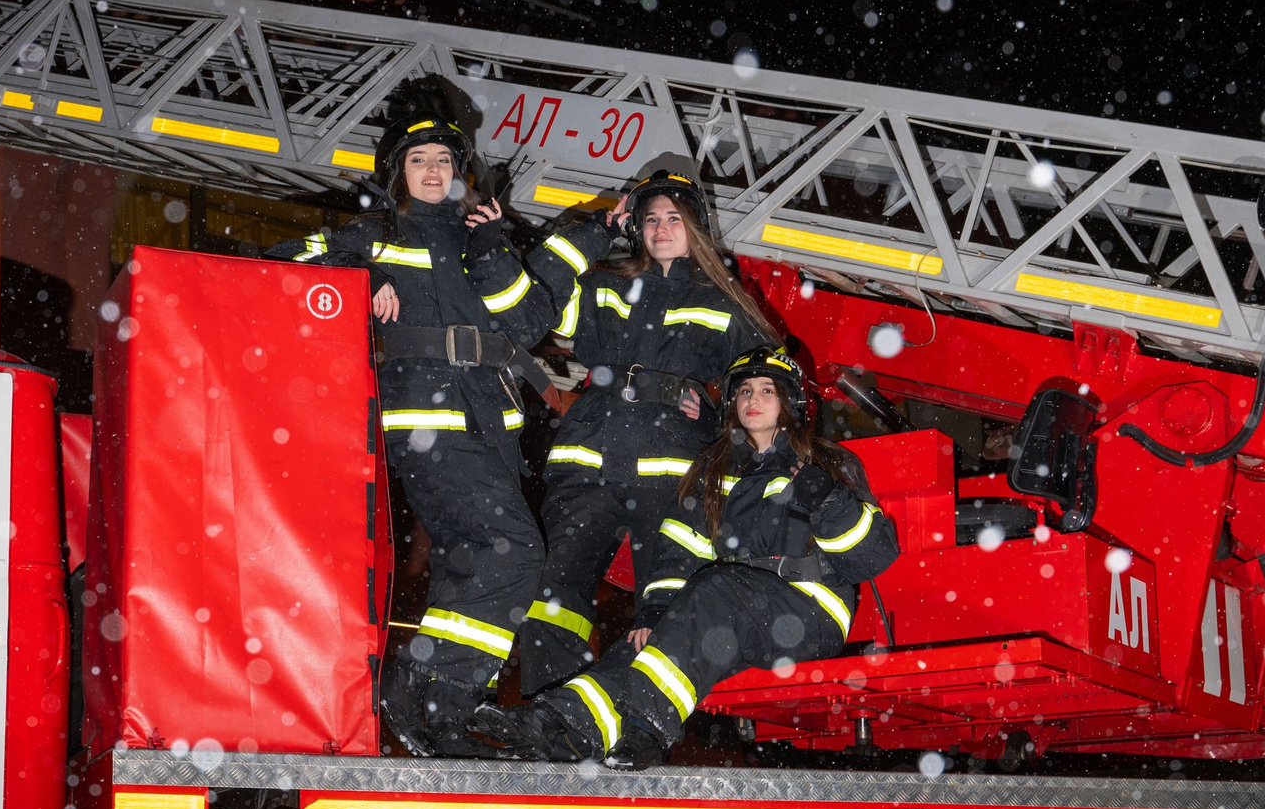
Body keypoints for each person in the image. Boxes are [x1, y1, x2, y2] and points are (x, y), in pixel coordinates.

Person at [269, 77, 554, 755]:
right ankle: (432, 691)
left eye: (445, 162)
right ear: (397, 170)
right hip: (426, 417)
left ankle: (432, 701)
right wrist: (358, 281)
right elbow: (283, 266)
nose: (434, 172)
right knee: (511, 552)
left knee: (476, 559)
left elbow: (533, 319)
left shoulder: (478, 236)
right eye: (420, 161)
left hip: (489, 423)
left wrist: (494, 246)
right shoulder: (374, 233)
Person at [474, 347, 899, 768]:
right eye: (745, 391)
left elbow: (872, 556)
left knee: (716, 591)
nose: (753, 400)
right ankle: (557, 722)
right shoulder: (713, 472)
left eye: (767, 390)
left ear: (792, 402)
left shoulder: (828, 462)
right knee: (651, 639)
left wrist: (827, 499)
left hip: (809, 613)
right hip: (729, 611)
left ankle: (647, 730)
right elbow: (680, 551)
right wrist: (654, 611)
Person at [509, 154, 778, 692]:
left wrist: (719, 409)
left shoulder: (725, 300)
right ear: (636, 225)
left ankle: (628, 722)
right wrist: (594, 228)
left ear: (695, 227)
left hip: (674, 471)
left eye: (674, 218)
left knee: (663, 608)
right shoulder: (603, 284)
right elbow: (533, 299)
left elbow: (770, 388)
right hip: (589, 458)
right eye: (652, 218)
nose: (661, 229)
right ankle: (550, 717)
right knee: (552, 596)